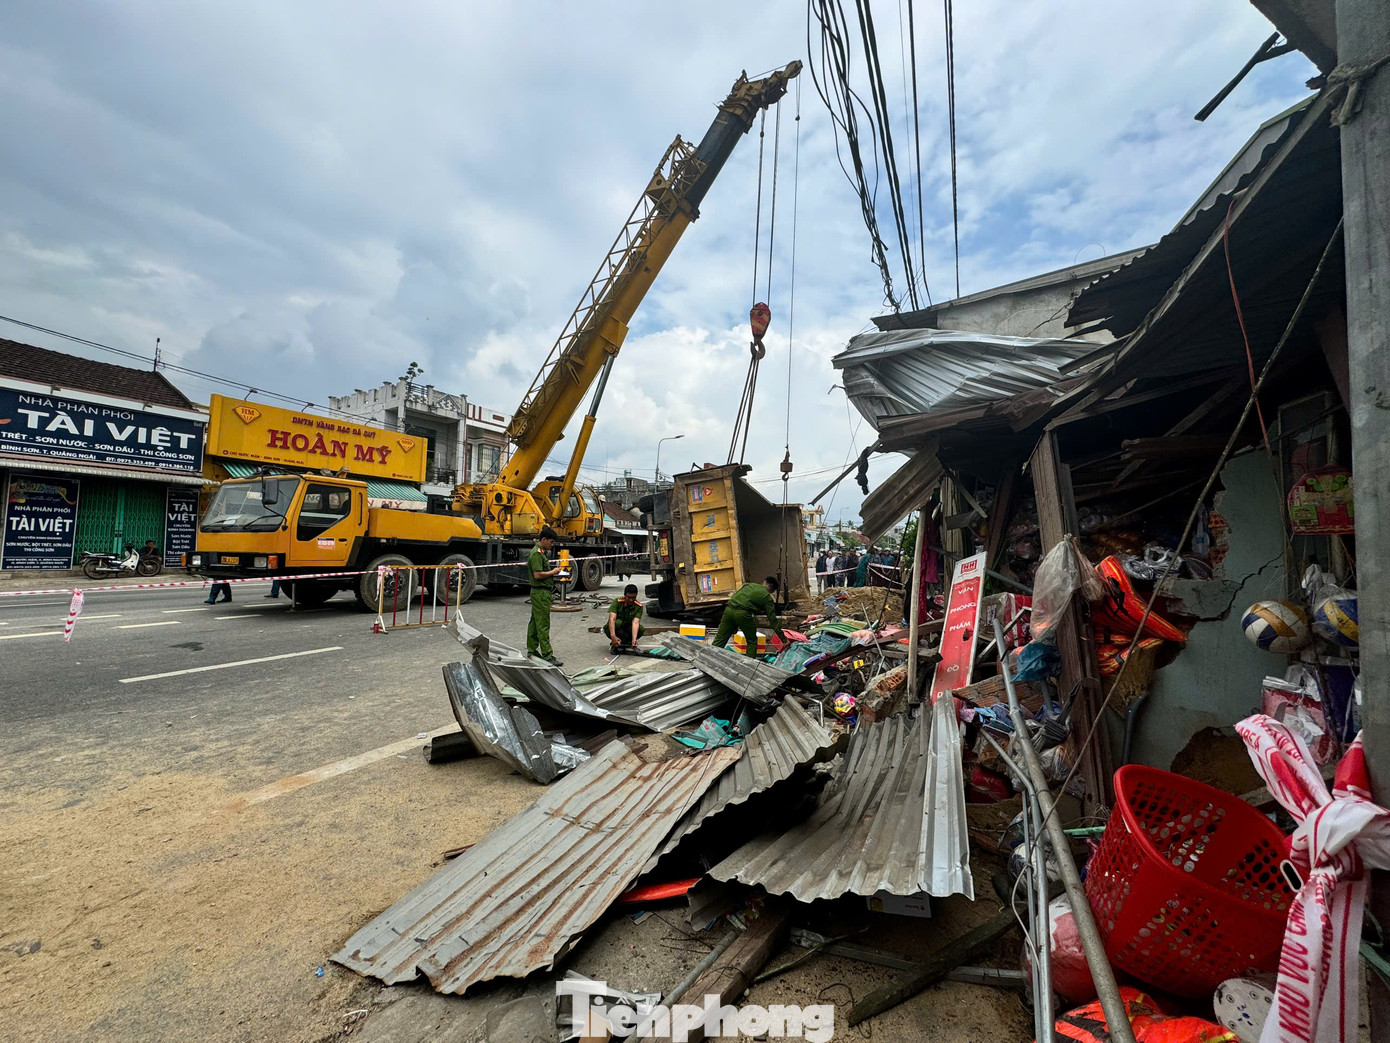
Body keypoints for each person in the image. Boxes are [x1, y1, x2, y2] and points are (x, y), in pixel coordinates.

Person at [712, 576, 788, 657]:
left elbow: (737, 597)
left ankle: (707, 657)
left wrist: (734, 625)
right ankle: (750, 664)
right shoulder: (767, 597)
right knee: (752, 641)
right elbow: (773, 620)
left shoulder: (748, 585)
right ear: (772, 590)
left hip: (728, 610)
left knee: (720, 639)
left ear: (764, 582)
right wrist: (784, 639)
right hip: (743, 614)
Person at [527, 525, 565, 666]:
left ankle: (532, 650)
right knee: (543, 624)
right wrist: (553, 572)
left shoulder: (541, 552)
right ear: (544, 539)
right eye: (551, 541)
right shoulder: (537, 554)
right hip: (540, 592)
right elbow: (537, 575)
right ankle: (547, 655)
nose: (552, 544)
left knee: (535, 623)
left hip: (540, 592)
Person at [606, 584, 645, 650]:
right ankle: (615, 640)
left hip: (627, 629)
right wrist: (613, 636)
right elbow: (612, 619)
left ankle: (628, 641)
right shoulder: (617, 602)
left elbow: (635, 623)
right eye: (628, 597)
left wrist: (634, 639)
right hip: (616, 629)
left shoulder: (638, 606)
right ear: (624, 595)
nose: (631, 600)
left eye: (633, 597)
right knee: (617, 623)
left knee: (641, 629)